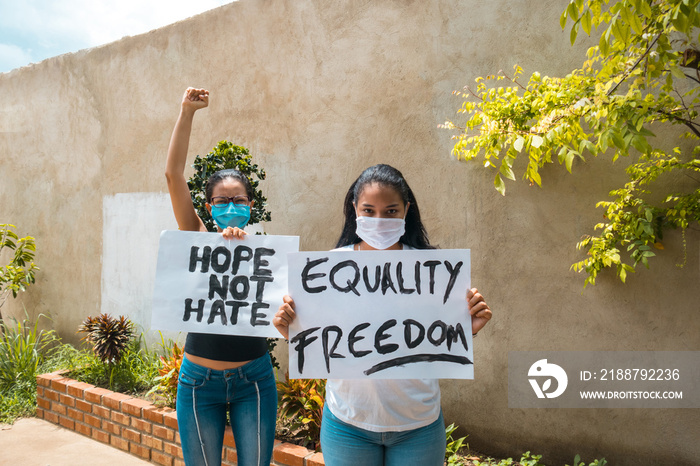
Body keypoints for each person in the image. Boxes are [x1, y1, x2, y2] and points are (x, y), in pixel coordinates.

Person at [273, 164, 492, 466]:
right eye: (369, 210)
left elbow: (436, 338)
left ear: (406, 210)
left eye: (390, 211)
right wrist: (294, 331)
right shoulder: (326, 271)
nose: (379, 220)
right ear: (354, 210)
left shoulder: (434, 273)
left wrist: (470, 327)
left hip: (418, 426)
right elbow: (321, 341)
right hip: (348, 424)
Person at [165, 87, 277, 466]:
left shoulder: (267, 251)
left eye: (240, 200)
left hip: (255, 380)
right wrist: (187, 113)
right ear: (210, 206)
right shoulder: (195, 237)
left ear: (250, 205)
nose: (232, 207)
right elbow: (172, 174)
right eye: (223, 201)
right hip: (198, 382)